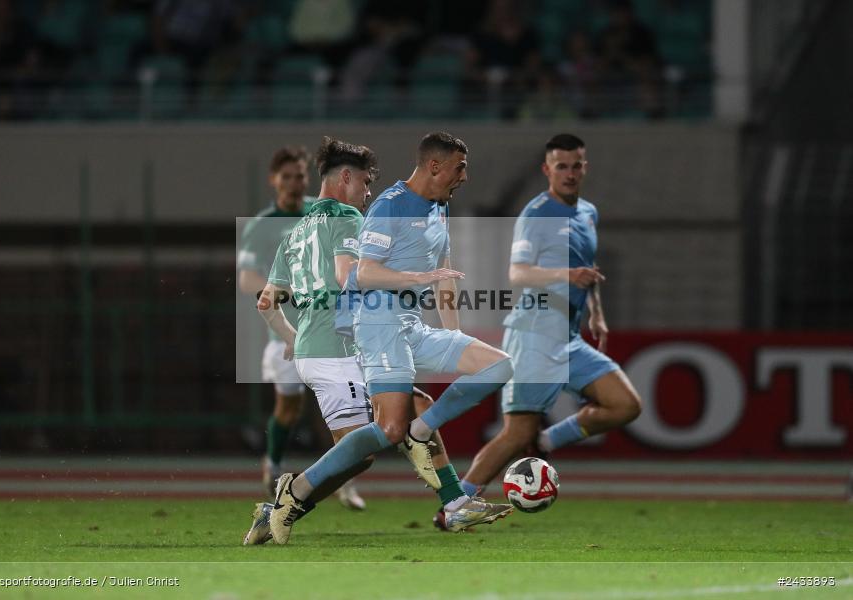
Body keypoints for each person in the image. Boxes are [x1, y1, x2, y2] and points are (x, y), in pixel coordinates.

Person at [268, 132, 515, 545]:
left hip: (410, 326)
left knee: (498, 365)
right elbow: (361, 274)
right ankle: (297, 492)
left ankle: (442, 486)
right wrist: (413, 278)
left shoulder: (440, 208)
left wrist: (453, 336)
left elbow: (445, 275)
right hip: (377, 325)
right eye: (460, 167)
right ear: (435, 166)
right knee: (389, 430)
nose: (465, 177)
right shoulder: (389, 206)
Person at [441, 133, 642, 525]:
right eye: (561, 166)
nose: (569, 173)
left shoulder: (588, 213)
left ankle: (546, 443)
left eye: (576, 165)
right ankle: (454, 506)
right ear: (547, 170)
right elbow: (518, 273)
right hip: (533, 333)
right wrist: (567, 274)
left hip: (567, 336)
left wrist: (595, 312)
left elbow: (588, 267)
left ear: (585, 167)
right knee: (515, 435)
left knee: (625, 405)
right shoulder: (537, 214)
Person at [237, 146, 363, 509]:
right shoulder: (264, 224)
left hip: (328, 330)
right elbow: (248, 280)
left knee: (341, 413)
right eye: (287, 176)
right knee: (289, 409)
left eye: (300, 176)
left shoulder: (319, 212)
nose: (294, 183)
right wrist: (295, 287)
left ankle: (346, 482)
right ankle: (274, 466)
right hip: (285, 333)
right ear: (273, 180)